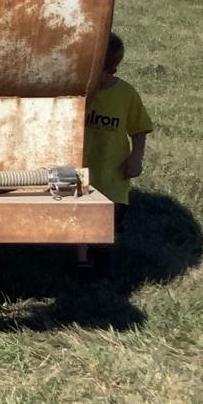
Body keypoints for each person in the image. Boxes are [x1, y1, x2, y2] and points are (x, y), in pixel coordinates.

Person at [77, 32, 153, 265]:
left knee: (106, 231)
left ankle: (97, 253)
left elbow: (140, 129)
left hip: (112, 175)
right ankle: (82, 262)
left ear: (111, 69)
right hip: (81, 171)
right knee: (81, 216)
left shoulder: (125, 95)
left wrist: (136, 158)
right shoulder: (79, 91)